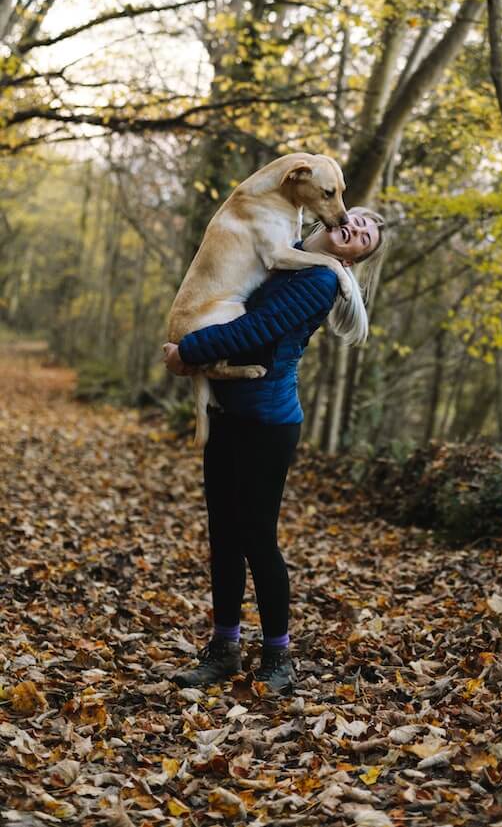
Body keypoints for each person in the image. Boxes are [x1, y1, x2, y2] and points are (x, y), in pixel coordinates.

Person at [162, 206, 386, 692]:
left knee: (256, 537)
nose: (356, 228)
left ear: (353, 260)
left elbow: (255, 332)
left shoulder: (320, 283)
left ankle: (278, 657)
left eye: (364, 238)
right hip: (225, 412)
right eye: (360, 219)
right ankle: (224, 649)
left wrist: (188, 354)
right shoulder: (283, 254)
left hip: (268, 423)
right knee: (222, 534)